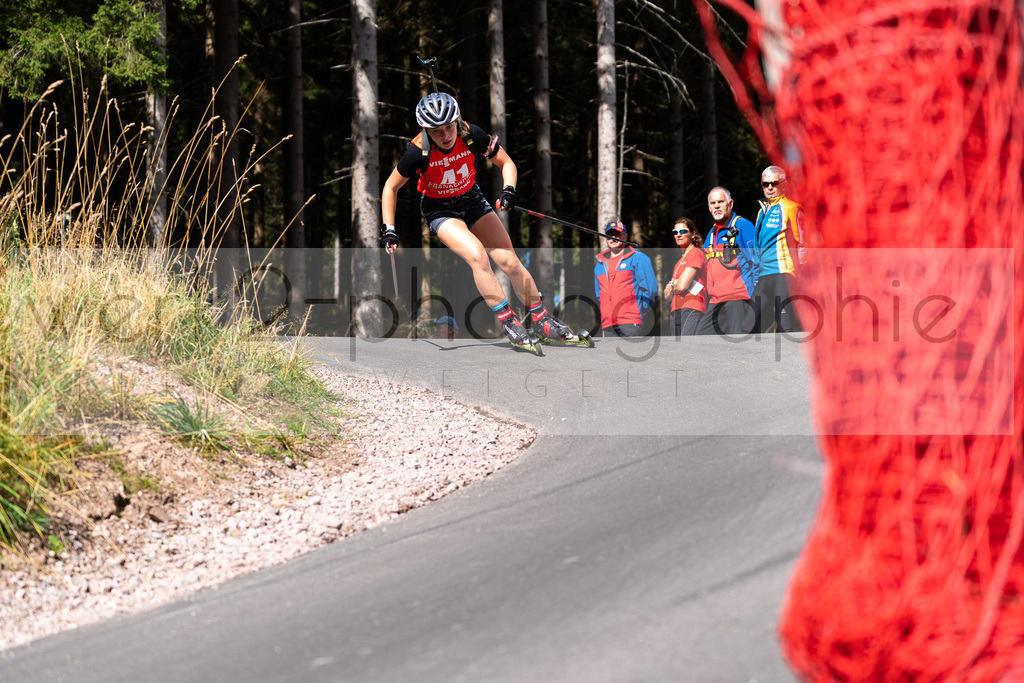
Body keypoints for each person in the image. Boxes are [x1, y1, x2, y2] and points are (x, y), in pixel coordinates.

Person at [380, 91, 577, 351]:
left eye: (449, 127)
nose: (446, 135)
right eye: (437, 131)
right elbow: (390, 188)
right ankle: (509, 322)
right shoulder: (417, 152)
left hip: (472, 200)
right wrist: (389, 229)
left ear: (457, 120)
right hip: (440, 210)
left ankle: (542, 320)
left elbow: (506, 163)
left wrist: (509, 189)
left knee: (509, 262)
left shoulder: (472, 134)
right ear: (426, 129)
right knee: (478, 257)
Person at [695, 186, 758, 335]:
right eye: (713, 203)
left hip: (738, 298)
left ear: (730, 204)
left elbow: (757, 262)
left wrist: (754, 298)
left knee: (738, 345)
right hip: (716, 300)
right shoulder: (712, 233)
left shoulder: (743, 226)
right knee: (699, 339)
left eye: (721, 202)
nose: (716, 206)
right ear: (709, 207)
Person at [752, 165, 805, 333]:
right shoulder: (762, 212)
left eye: (774, 183)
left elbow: (804, 243)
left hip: (784, 273)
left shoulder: (792, 208)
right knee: (747, 324)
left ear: (784, 184)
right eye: (765, 184)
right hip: (763, 275)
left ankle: (791, 359)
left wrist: (799, 272)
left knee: (785, 325)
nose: (769, 187)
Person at [594, 220, 659, 337]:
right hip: (608, 324)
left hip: (630, 321)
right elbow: (600, 294)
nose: (613, 238)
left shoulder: (637, 258)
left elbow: (651, 290)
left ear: (625, 236)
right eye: (609, 235)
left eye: (617, 234)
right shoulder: (599, 264)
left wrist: (638, 310)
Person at [663, 218, 706, 336]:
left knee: (687, 348)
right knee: (677, 351)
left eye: (683, 231)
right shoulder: (679, 262)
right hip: (675, 309)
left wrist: (672, 284)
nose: (678, 235)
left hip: (692, 307)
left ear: (693, 234)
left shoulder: (696, 253)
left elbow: (682, 286)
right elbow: (666, 296)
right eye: (675, 232)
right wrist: (675, 284)